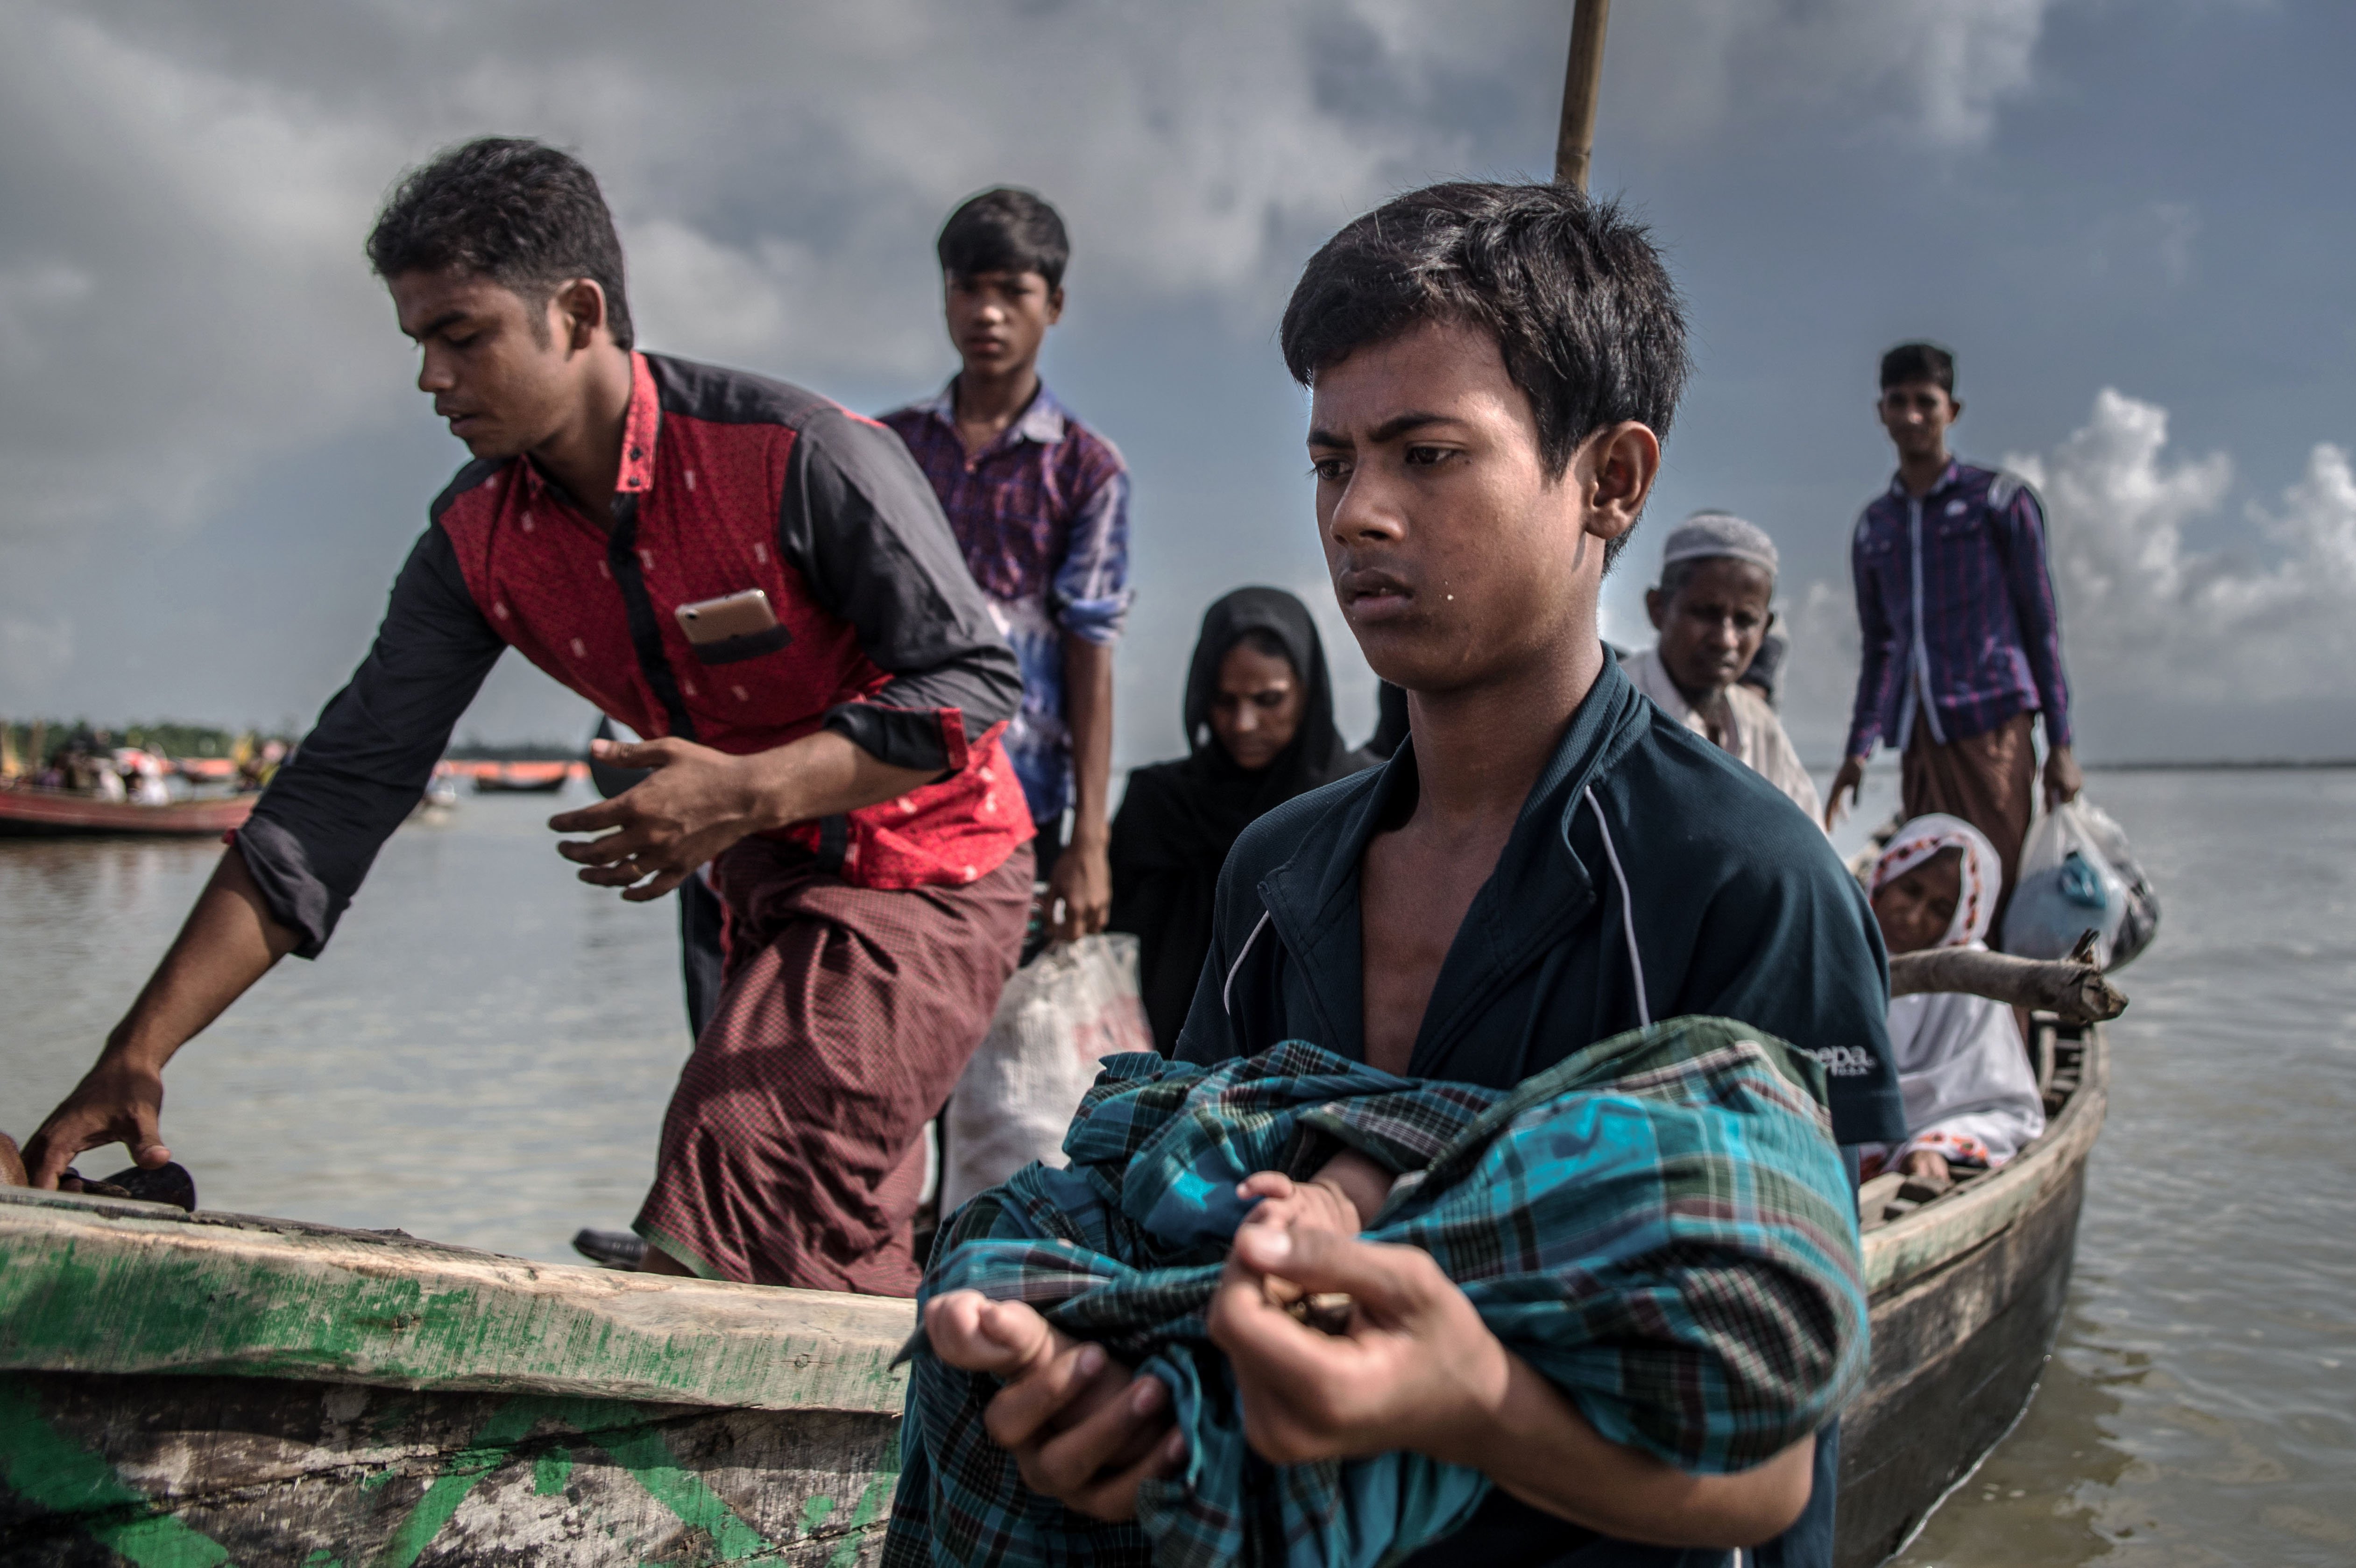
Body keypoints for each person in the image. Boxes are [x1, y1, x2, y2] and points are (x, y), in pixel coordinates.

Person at [911, 182, 1905, 1568]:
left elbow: (1769, 1472)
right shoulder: (1277, 871)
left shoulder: (1744, 880)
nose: (1359, 514)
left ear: (1609, 480)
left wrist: (1471, 1403)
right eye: (1331, 463)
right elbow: (1187, 1243)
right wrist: (1119, 1407)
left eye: (1427, 456)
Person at [21, 138, 1030, 1297]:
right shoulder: (479, 542)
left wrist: (741, 790)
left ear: (579, 312)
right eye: (418, 343)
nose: (430, 379)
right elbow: (342, 789)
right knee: (823, 1229)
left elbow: (969, 682)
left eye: (463, 335)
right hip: (744, 892)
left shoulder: (797, 456)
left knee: (736, 1144)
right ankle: (896, 1450)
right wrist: (137, 1052)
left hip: (928, 873)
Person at [881, 189, 1130, 948]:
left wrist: (1091, 840)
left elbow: (1091, 650)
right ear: (945, 296)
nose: (987, 312)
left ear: (1051, 305)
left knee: (1004, 1027)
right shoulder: (887, 449)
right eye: (968, 289)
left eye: (1012, 292)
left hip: (1022, 799)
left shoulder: (1086, 469)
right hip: (888, 784)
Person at [1825, 342, 2080, 923]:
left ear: (1952, 411)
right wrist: (1856, 752)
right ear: (1880, 412)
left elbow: (2040, 627)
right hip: (1919, 737)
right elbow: (1880, 648)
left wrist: (2061, 746)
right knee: (1929, 907)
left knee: (1996, 900)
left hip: (1991, 726)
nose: (1911, 415)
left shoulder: (1998, 501)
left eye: (1925, 402)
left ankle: (2008, 1015)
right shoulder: (1875, 526)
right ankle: (1936, 1015)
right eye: (1898, 402)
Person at [1107, 586, 1373, 1051]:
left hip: (1315, 1071)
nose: (1243, 723)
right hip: (1169, 1068)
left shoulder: (1357, 801)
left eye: (1268, 699)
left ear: (1308, 693)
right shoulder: (1161, 805)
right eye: (1224, 701)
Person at [1859, 815, 2045, 1184]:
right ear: (1885, 878)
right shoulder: (1833, 938)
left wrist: (1932, 1144)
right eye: (1910, 890)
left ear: (1960, 920)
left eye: (1940, 910)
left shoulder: (1969, 984)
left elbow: (2007, 1108)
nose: (1913, 917)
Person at [1625, 510, 1820, 822]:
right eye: (1705, 613)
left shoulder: (1759, 726)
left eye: (1745, 621)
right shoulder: (1609, 710)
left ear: (1765, 629)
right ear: (1657, 609)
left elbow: (1810, 846)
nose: (1725, 640)